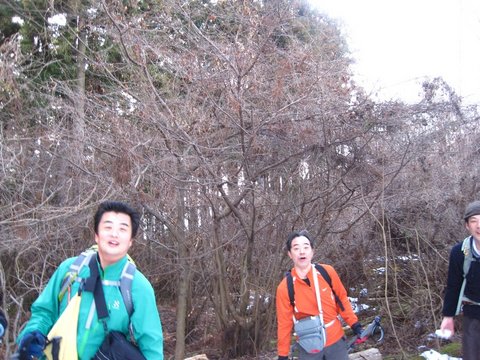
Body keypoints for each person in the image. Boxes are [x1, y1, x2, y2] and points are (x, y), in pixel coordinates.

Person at [16, 201, 164, 359]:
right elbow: (44, 311)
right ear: (96, 235)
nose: (114, 234)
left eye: (122, 229)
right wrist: (33, 334)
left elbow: (151, 344)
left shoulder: (137, 286)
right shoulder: (71, 269)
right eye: (108, 227)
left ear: (130, 241)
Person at [276, 230, 363, 360]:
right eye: (296, 248)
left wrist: (355, 324)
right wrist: (283, 354)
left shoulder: (327, 272)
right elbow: (284, 323)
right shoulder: (285, 287)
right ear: (290, 254)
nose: (302, 251)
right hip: (308, 346)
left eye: (306, 247)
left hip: (336, 342)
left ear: (312, 251)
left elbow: (342, 300)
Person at [440, 200, 480, 360]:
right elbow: (453, 286)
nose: (479, 226)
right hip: (472, 316)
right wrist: (448, 317)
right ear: (467, 226)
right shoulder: (460, 252)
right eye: (474, 221)